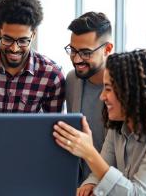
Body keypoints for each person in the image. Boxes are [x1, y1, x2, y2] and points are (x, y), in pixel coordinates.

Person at [53, 49, 146, 195]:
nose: (102, 97)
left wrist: (89, 153)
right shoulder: (119, 125)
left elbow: (137, 194)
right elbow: (102, 169)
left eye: (109, 89)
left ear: (133, 92)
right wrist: (91, 184)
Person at [0, 0, 65, 113]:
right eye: (7, 39)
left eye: (23, 41)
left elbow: (55, 126)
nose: (14, 49)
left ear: (33, 35)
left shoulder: (52, 75)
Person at [64, 12, 113, 182]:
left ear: (107, 49)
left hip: (112, 184)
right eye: (73, 50)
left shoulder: (125, 87)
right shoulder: (72, 80)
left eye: (85, 53)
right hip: (80, 185)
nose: (77, 59)